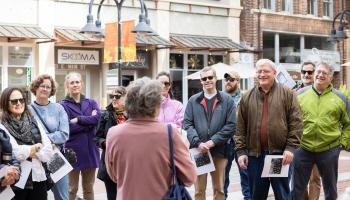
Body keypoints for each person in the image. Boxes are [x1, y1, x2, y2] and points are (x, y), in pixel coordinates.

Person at [105, 77, 196, 199]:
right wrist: (184, 146)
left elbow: (114, 176)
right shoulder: (169, 133)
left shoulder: (113, 134)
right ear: (156, 105)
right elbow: (189, 178)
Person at [234, 59, 303, 200]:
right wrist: (241, 151)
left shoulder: (287, 94)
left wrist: (290, 148)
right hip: (255, 157)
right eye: (259, 71)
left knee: (282, 195)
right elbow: (240, 127)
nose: (262, 74)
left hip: (278, 155)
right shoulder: (247, 97)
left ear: (274, 73)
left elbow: (296, 123)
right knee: (257, 195)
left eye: (266, 71)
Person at [292, 62, 350, 200]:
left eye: (325, 73)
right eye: (318, 72)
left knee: (330, 189)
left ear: (331, 77)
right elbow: (292, 120)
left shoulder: (340, 98)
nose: (320, 75)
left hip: (329, 149)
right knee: (297, 188)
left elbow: (348, 124)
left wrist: (341, 144)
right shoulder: (300, 94)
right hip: (303, 148)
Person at [184, 66, 236, 200]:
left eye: (210, 77)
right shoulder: (193, 100)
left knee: (219, 189)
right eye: (204, 78)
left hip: (219, 150)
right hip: (199, 151)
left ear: (216, 78)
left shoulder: (227, 100)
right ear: (201, 81)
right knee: (199, 190)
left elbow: (231, 126)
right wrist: (198, 142)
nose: (207, 80)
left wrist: (212, 142)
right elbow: (187, 124)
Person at [0, 87, 54, 200]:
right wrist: (37, 147)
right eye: (14, 101)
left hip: (39, 177)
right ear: (6, 103)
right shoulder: (2, 124)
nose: (19, 103)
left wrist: (29, 152)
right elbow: (15, 153)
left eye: (21, 100)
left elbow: (48, 152)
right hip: (18, 181)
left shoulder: (33, 121)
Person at [60, 72, 101, 200]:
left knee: (88, 189)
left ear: (81, 84)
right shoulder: (63, 105)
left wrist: (78, 119)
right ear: (67, 85)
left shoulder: (92, 102)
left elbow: (97, 119)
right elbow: (67, 127)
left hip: (90, 151)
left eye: (77, 82)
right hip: (73, 152)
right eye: (72, 83)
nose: (75, 85)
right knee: (72, 189)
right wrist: (89, 122)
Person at [29, 74, 69, 200]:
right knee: (38, 196)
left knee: (62, 196)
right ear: (36, 88)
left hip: (55, 157)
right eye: (42, 86)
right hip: (36, 159)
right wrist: (47, 142)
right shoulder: (27, 110)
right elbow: (26, 134)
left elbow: (64, 134)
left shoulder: (58, 108)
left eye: (48, 87)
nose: (45, 89)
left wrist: (45, 139)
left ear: (52, 90)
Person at [292, 62, 321, 200]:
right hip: (298, 141)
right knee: (299, 179)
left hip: (317, 141)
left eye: (310, 72)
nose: (307, 75)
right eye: (304, 72)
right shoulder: (293, 91)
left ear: (315, 74)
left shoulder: (322, 91)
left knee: (315, 178)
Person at [223, 71, 251, 200]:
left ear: (238, 82)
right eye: (226, 79)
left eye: (231, 79)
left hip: (242, 142)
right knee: (223, 176)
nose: (228, 81)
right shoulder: (220, 98)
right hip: (224, 142)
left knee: (246, 174)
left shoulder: (246, 98)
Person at [95, 86, 127, 200]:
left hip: (127, 164)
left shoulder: (132, 116)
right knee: (112, 197)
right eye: (111, 96)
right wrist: (104, 143)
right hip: (110, 163)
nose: (114, 99)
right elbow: (96, 137)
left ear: (125, 98)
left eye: (117, 96)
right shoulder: (106, 115)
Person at [0, 127, 20, 192]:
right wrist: (4, 170)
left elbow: (9, 159)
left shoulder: (2, 134)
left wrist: (15, 169)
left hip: (5, 191)